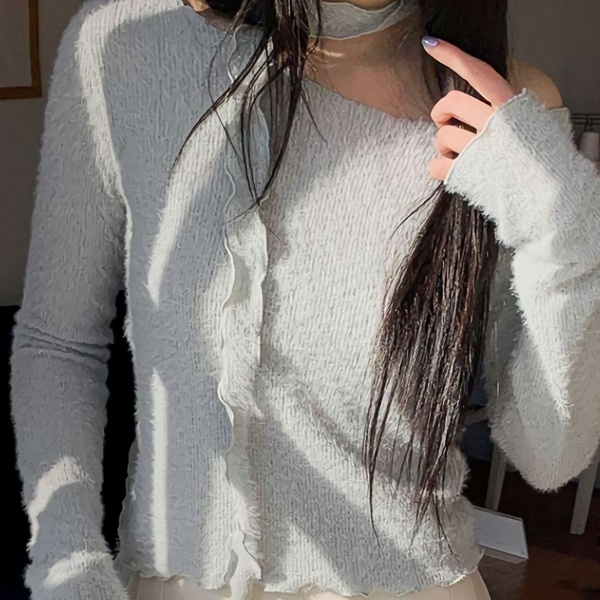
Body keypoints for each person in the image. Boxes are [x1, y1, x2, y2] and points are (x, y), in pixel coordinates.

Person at [10, 0, 600, 599]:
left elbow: (549, 455)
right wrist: (69, 560)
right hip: (174, 582)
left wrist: (569, 230)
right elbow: (58, 343)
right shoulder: (128, 44)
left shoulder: (505, 103)